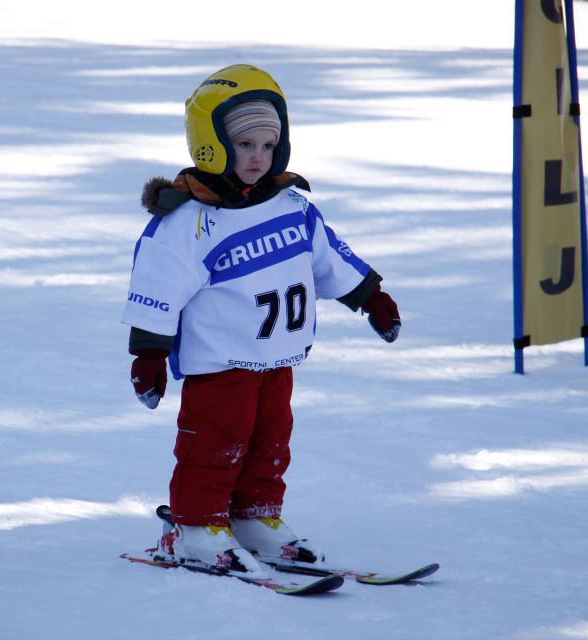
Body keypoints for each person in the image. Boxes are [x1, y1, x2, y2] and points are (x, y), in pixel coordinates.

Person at [121, 64, 401, 577]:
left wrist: (372, 297)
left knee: (270, 439)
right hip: (220, 361)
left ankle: (255, 517)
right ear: (212, 144)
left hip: (277, 357)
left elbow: (329, 258)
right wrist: (150, 354)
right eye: (245, 144)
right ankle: (198, 525)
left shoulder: (290, 206)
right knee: (216, 440)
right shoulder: (190, 221)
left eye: (268, 146)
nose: (258, 157)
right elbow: (156, 285)